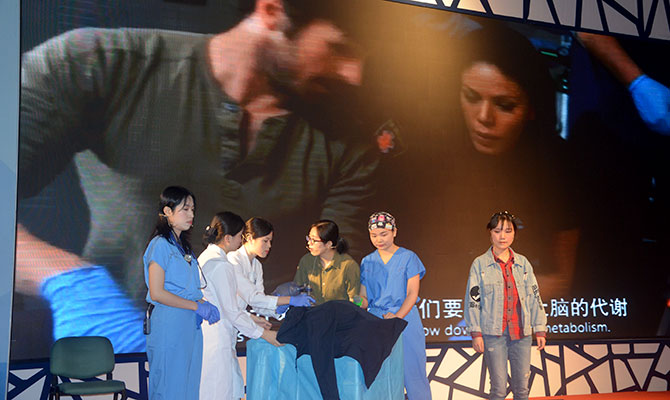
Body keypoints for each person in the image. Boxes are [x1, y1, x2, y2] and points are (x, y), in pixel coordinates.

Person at [16, 0, 378, 355]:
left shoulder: (349, 142)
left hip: (253, 359)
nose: (354, 76)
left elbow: (337, 271)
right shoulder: (97, 63)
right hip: (120, 356)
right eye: (339, 49)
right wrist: (71, 282)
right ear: (271, 10)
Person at [143, 186, 221, 400]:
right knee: (170, 388)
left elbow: (187, 289)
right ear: (167, 211)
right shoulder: (160, 245)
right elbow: (157, 292)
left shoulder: (184, 248)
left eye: (193, 210)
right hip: (169, 324)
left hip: (189, 325)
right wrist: (196, 306)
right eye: (185, 209)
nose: (191, 214)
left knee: (189, 388)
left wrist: (202, 302)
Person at [198, 211, 282, 400]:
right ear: (228, 238)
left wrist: (253, 318)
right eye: (239, 236)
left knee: (229, 388)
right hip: (217, 337)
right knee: (219, 391)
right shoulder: (221, 264)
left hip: (217, 335)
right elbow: (232, 311)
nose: (241, 241)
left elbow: (229, 306)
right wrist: (264, 334)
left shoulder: (208, 258)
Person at [464, 211, 547, 400]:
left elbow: (535, 297)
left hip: (521, 334)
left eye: (508, 231)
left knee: (522, 390)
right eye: (497, 231)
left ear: (514, 233)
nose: (503, 236)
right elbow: (473, 300)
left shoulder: (523, 263)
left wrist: (540, 328)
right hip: (493, 335)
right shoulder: (479, 264)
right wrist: (476, 333)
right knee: (498, 390)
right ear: (490, 233)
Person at [358, 211, 431, 400]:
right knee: (380, 377)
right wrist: (354, 301)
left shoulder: (408, 257)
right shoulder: (367, 261)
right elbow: (364, 298)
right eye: (374, 235)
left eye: (383, 234)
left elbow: (412, 293)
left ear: (394, 232)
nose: (379, 239)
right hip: (377, 323)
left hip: (405, 321)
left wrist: (397, 317)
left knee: (414, 374)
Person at [228, 217, 314, 317]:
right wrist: (289, 300)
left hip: (236, 319)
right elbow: (252, 298)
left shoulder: (257, 265)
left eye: (270, 241)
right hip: (224, 319)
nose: (269, 245)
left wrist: (278, 310)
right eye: (265, 241)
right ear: (250, 238)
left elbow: (258, 305)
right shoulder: (233, 260)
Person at [293, 220, 360, 305]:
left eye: (314, 240)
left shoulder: (349, 265)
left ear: (328, 244)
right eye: (309, 238)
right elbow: (297, 290)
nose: (309, 243)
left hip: (339, 312)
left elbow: (356, 300)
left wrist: (359, 304)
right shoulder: (306, 261)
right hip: (312, 312)